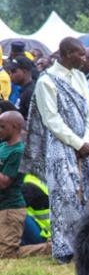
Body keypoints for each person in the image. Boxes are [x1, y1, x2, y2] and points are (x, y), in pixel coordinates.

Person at [22, 37, 89, 264]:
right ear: (65, 54)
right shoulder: (47, 81)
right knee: (64, 194)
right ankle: (65, 249)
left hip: (85, 146)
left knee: (85, 194)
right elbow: (51, 120)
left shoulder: (80, 77)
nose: (84, 59)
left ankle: (85, 247)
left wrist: (88, 141)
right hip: (60, 146)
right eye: (79, 54)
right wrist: (77, 143)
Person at [0, 111, 49, 258]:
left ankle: (50, 249)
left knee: (6, 254)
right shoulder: (3, 147)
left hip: (10, 209)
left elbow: (4, 182)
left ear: (14, 127)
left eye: (2, 126)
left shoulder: (19, 151)